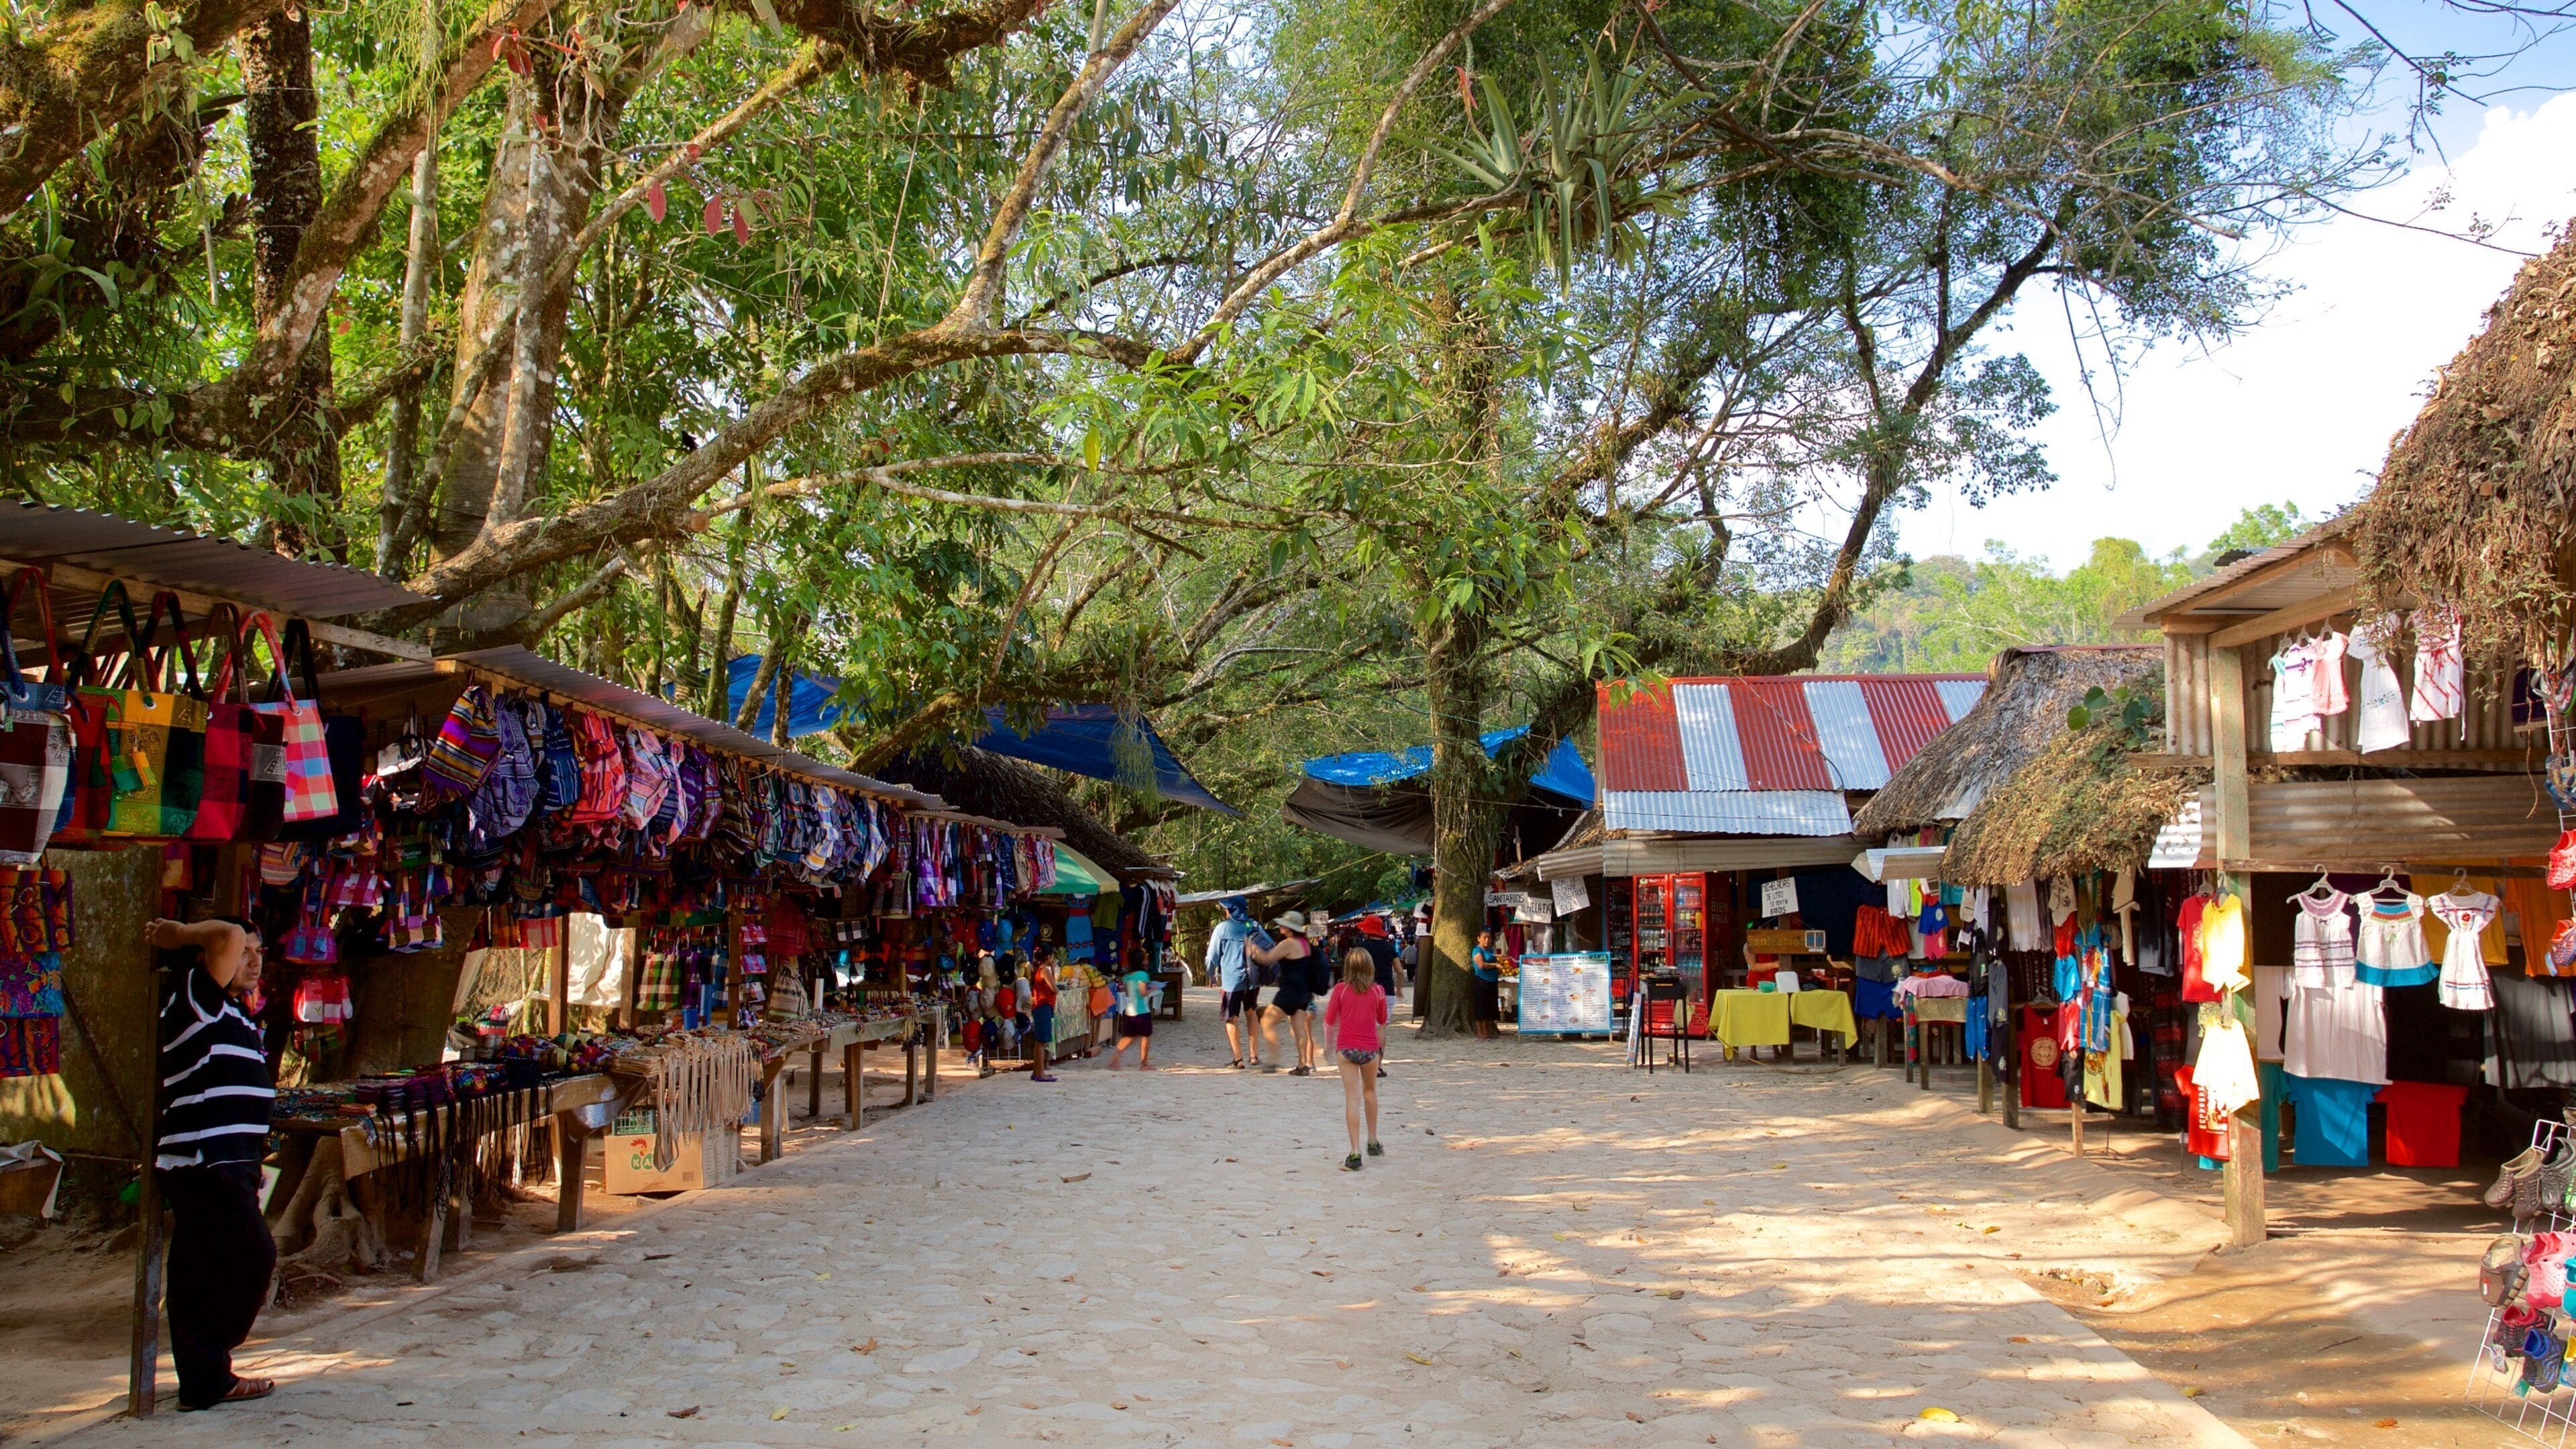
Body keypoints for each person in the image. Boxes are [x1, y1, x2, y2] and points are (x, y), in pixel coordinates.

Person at [144, 915, 278, 1411]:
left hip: (229, 1161)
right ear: (208, 958)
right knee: (254, 1255)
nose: (253, 958)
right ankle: (209, 1363)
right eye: (245, 951)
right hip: (202, 1156)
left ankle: (205, 1379)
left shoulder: (237, 1015)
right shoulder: (196, 998)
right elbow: (225, 935)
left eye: (259, 951)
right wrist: (178, 933)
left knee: (198, 1271)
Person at [1324, 949, 1388, 1171]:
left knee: (1353, 1098)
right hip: (1370, 1049)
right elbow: (1381, 1024)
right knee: (1370, 1092)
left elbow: (1329, 1021)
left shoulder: (1340, 990)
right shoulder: (1378, 991)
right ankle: (1373, 1139)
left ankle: (1354, 1151)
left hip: (1346, 1049)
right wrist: (1380, 1052)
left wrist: (1328, 1046)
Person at [1250, 911, 1321, 1074]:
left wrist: (1252, 948)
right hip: (1304, 991)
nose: (1280, 926)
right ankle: (1303, 1065)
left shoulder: (1289, 943)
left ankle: (1274, 1060)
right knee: (1299, 1028)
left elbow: (1267, 958)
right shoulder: (1304, 943)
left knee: (1267, 1021)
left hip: (1290, 990)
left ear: (1289, 928)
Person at [1205, 896, 1266, 1069]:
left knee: (1231, 1018)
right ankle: (1254, 1056)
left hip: (1231, 981)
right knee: (1251, 1013)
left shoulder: (1222, 929)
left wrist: (1211, 974)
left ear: (1231, 910)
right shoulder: (1254, 926)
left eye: (1227, 908)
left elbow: (1212, 957)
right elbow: (1270, 945)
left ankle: (1238, 1059)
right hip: (1253, 980)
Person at [1105, 951, 1155, 1070]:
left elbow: (1126, 992)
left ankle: (1115, 1059)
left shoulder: (1127, 976)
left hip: (1130, 1011)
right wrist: (1152, 989)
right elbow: (1143, 993)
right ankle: (1144, 1064)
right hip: (1142, 1011)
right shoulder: (1143, 975)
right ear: (1141, 961)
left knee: (1128, 1036)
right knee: (1146, 1036)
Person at [1026, 945, 1060, 1082]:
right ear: (1048, 957)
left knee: (1039, 1041)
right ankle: (1041, 1073)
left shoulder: (1039, 970)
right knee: (1041, 1042)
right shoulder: (1044, 971)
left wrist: (1052, 969)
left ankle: (1037, 1071)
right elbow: (1055, 989)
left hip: (1040, 1006)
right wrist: (1051, 970)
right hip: (1043, 1006)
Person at [1470, 929, 1504, 1040]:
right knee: (1481, 1008)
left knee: (1490, 1008)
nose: (1487, 940)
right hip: (1482, 981)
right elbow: (1481, 965)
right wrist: (1495, 965)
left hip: (1492, 981)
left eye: (1489, 937)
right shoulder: (1477, 950)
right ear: (1479, 939)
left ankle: (1487, 1031)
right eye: (1484, 937)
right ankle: (1480, 1033)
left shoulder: (1490, 950)